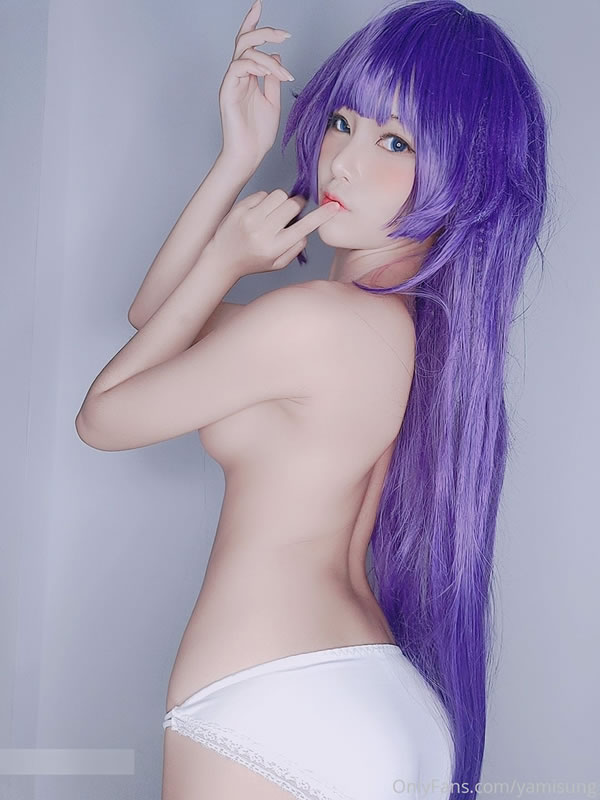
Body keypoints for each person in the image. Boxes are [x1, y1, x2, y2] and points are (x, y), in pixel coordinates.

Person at [75, 0, 551, 797]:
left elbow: (103, 417)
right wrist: (238, 157)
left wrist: (226, 257)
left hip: (266, 693)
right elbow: (159, 319)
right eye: (341, 122)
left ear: (463, 172)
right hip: (382, 695)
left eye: (394, 141)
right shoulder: (406, 333)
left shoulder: (312, 322)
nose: (342, 164)